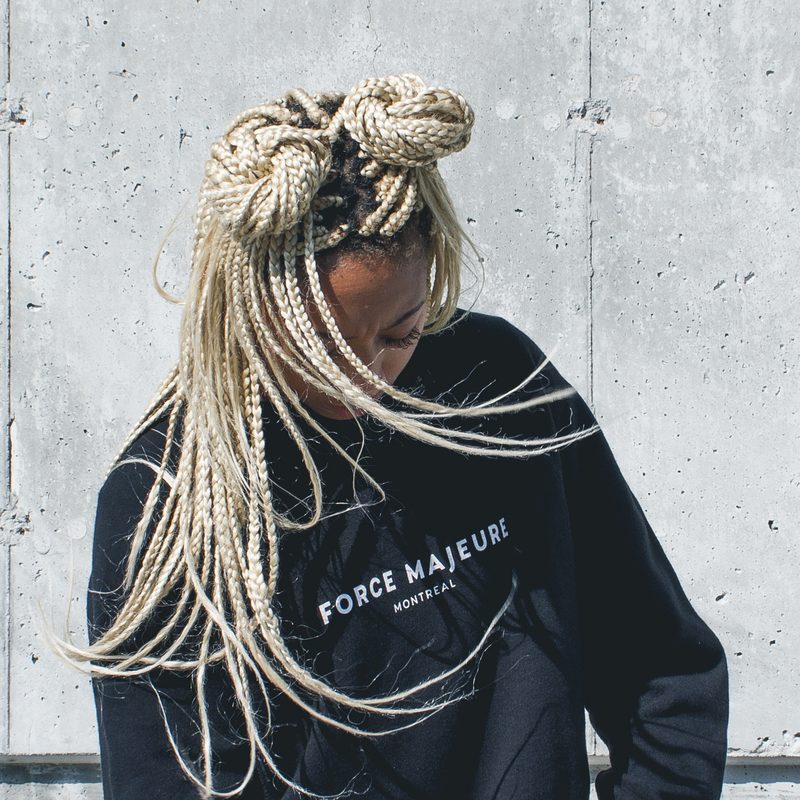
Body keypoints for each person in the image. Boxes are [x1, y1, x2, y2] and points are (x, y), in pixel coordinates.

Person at [51, 73, 729, 799]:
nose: (362, 379)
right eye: (318, 347)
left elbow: (662, 671)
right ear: (250, 304)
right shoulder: (170, 497)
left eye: (399, 335)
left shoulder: (496, 384)